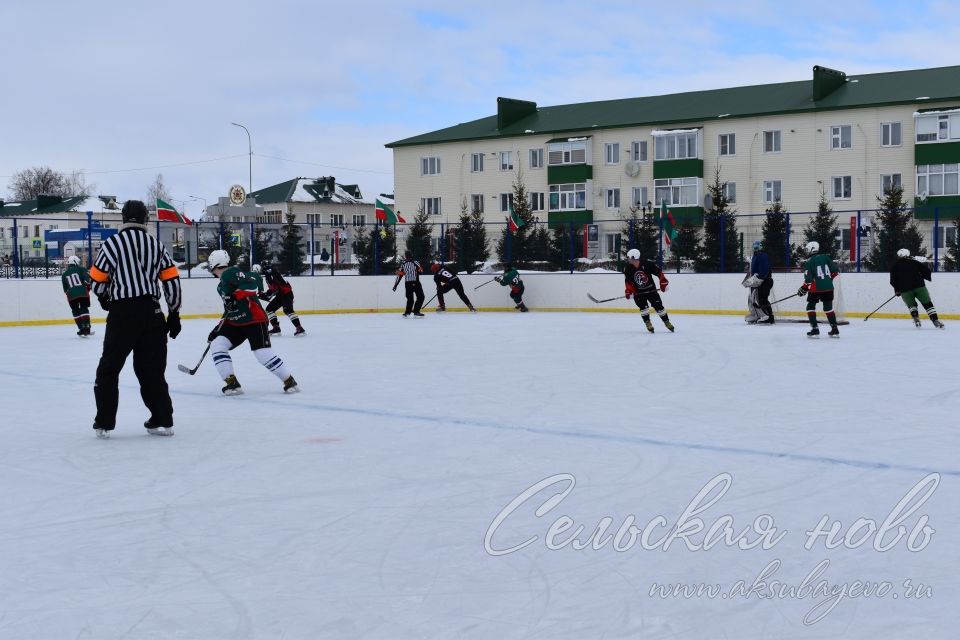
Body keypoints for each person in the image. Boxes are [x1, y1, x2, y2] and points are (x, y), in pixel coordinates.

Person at [89, 200, 182, 439]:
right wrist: (174, 312)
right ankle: (163, 420)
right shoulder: (156, 245)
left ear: (123, 218)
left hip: (122, 314)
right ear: (144, 219)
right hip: (152, 313)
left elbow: (97, 279)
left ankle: (104, 423)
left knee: (109, 369)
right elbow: (171, 279)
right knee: (152, 371)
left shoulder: (112, 244)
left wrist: (104, 298)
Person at [206, 250, 299, 395]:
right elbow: (229, 309)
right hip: (236, 323)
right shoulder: (221, 285)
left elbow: (252, 286)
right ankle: (232, 383)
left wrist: (235, 296)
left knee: (262, 354)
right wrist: (218, 328)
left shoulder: (230, 273)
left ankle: (289, 380)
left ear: (213, 265)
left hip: (254, 319)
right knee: (217, 344)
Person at [890, 248, 944, 328]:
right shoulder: (915, 262)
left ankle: (916, 319)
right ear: (908, 254)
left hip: (905, 290)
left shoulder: (894, 266)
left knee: (912, 306)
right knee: (928, 304)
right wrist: (923, 277)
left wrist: (897, 290)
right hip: (919, 287)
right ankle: (935, 320)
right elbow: (927, 271)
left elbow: (893, 281)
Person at [624, 248, 673, 332]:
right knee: (644, 309)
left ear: (633, 257)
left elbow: (659, 273)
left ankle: (666, 322)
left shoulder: (647, 264)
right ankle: (648, 323)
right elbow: (628, 282)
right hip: (638, 293)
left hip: (651, 291)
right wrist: (629, 291)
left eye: (629, 257)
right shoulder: (628, 269)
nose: (628, 259)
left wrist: (663, 282)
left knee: (659, 307)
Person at [798, 241, 840, 338]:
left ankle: (815, 329)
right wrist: (827, 280)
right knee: (828, 308)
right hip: (829, 287)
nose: (806, 252)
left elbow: (808, 280)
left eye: (807, 249)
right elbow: (835, 272)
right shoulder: (826, 257)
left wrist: (803, 288)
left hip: (816, 289)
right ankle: (835, 329)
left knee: (810, 307)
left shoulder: (809, 262)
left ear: (812, 249)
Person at [262, 264, 305, 336]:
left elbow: (274, 287)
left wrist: (267, 295)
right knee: (269, 309)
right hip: (280, 296)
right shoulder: (271, 277)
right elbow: (273, 290)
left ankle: (299, 328)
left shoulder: (276, 275)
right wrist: (265, 295)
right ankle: (276, 328)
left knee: (288, 310)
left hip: (287, 294)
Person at [61, 255, 93, 336]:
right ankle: (87, 328)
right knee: (84, 309)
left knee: (75, 311)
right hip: (82, 293)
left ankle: (81, 329)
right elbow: (87, 281)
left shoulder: (64, 274)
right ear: (75, 262)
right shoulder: (81, 269)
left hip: (71, 295)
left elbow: (65, 289)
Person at [394, 250, 425, 317]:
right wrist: (417, 272)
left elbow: (399, 275)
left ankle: (407, 313)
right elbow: (421, 271)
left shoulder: (403, 264)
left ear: (405, 257)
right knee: (421, 297)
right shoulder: (415, 262)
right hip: (416, 282)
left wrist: (396, 285)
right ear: (412, 255)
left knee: (410, 299)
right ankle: (416, 311)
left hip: (407, 283)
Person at [749, 240, 774, 323]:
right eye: (754, 247)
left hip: (765, 280)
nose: (755, 249)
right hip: (759, 281)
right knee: (758, 299)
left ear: (760, 247)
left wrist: (758, 276)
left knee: (762, 299)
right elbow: (754, 270)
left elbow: (763, 270)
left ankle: (768, 317)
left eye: (757, 247)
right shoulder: (754, 257)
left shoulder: (762, 255)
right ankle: (762, 316)